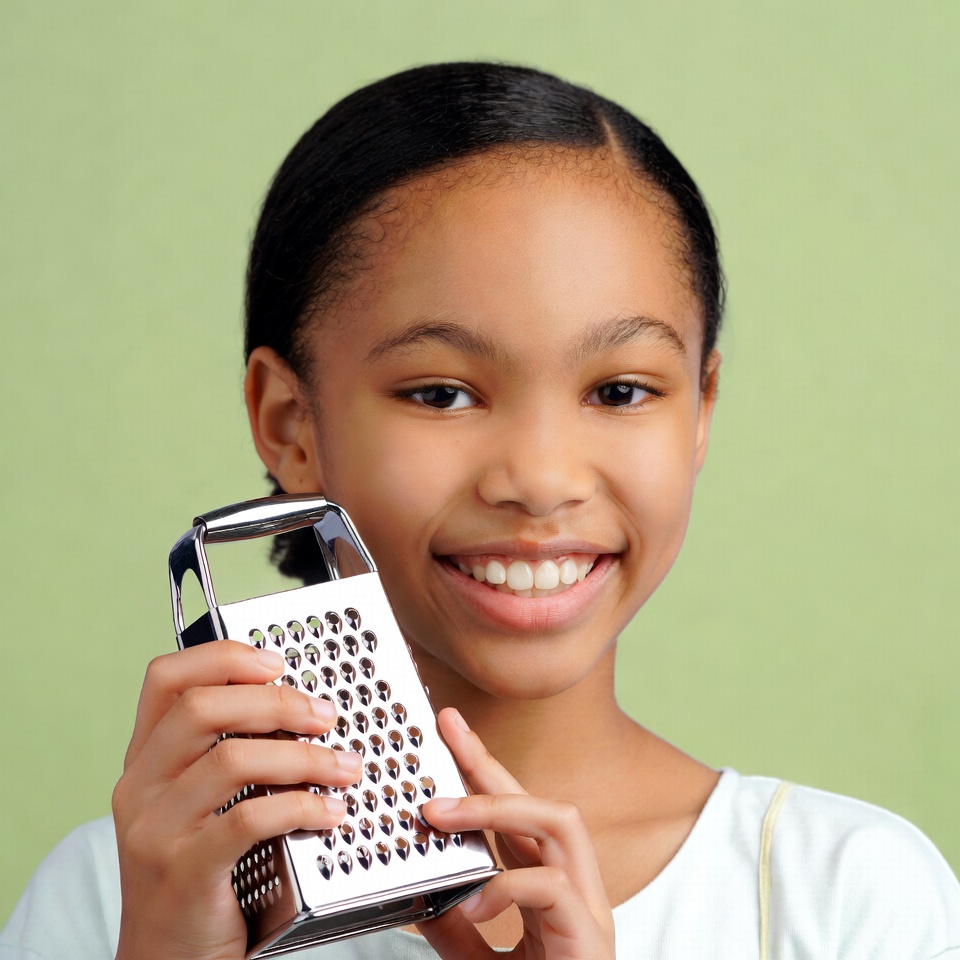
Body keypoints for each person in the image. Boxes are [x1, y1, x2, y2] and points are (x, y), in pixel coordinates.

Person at [2, 62, 958, 960]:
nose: (540, 480)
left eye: (622, 391)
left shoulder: (847, 897)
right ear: (291, 424)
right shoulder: (119, 899)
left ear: (701, 411)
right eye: (442, 393)